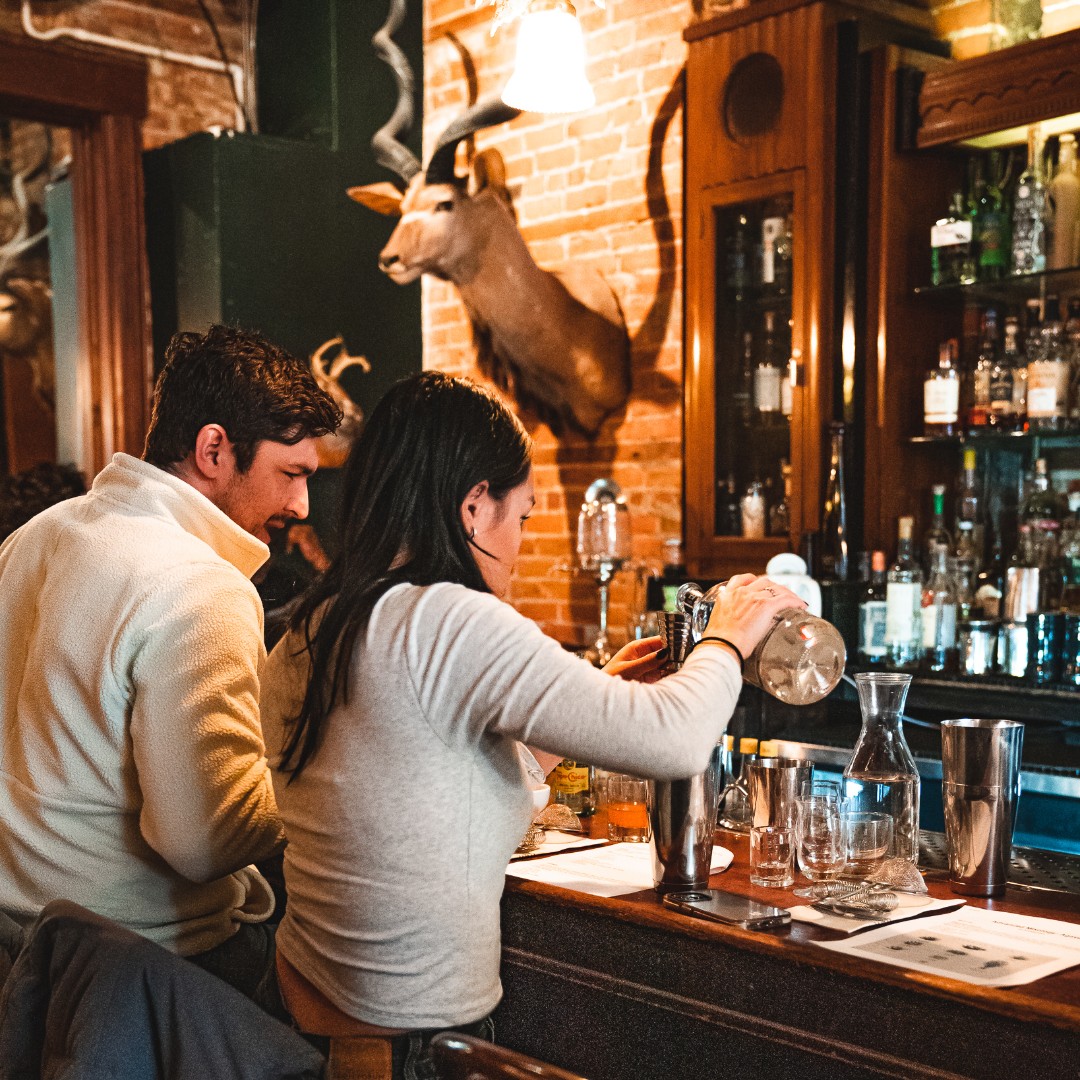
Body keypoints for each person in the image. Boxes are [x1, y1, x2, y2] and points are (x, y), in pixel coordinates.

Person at [260, 371, 804, 1076]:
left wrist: (596, 696)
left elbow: (424, 788)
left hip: (312, 1023)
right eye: (522, 517)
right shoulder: (449, 618)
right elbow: (676, 739)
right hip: (409, 1046)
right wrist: (726, 639)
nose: (519, 544)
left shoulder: (316, 623)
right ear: (473, 506)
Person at [0, 324, 341, 994]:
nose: (301, 506)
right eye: (291, 474)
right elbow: (204, 843)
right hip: (141, 969)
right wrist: (332, 771)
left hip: (17, 946)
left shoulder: (34, 537)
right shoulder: (199, 583)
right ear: (214, 448)